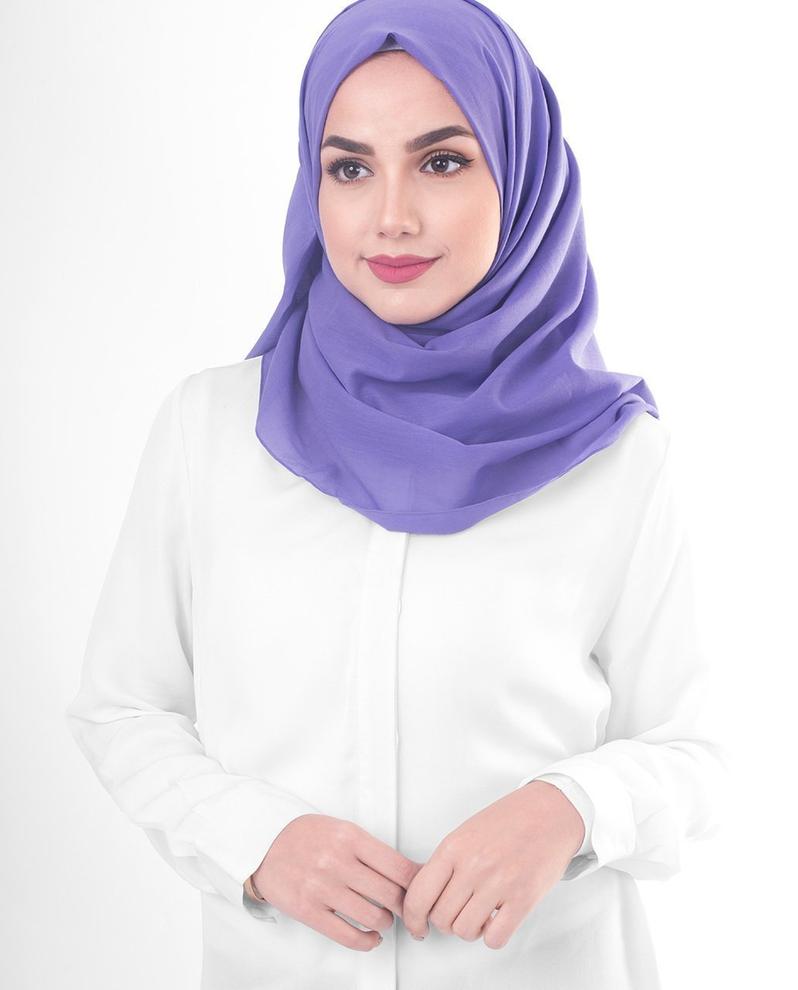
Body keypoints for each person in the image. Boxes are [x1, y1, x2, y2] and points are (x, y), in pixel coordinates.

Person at [64, 1, 728, 987]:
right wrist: (255, 840)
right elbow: (123, 708)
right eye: (349, 168)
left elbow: (695, 749)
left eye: (442, 161)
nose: (391, 217)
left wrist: (569, 811)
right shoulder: (211, 429)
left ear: (523, 175)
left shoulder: (616, 457)